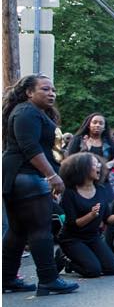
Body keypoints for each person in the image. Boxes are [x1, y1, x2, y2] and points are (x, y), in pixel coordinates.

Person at [2, 74, 79, 295]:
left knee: (17, 231)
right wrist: (52, 176)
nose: (51, 93)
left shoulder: (32, 112)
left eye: (53, 90)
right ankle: (48, 278)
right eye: (45, 89)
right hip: (26, 177)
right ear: (29, 92)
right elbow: (30, 147)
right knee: (40, 229)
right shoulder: (27, 112)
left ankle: (7, 279)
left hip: (19, 176)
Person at [57, 152, 114, 278]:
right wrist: (91, 215)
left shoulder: (101, 189)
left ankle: (84, 257)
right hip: (72, 238)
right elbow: (72, 224)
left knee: (112, 268)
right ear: (82, 168)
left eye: (99, 164)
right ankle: (66, 260)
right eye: (95, 165)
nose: (99, 167)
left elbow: (107, 218)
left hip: (93, 237)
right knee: (93, 270)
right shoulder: (69, 193)